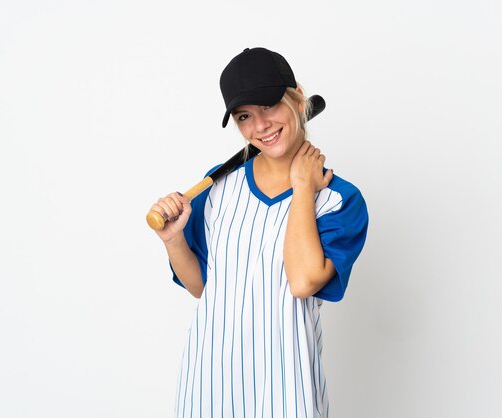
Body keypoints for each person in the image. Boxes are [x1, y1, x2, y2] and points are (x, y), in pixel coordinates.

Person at [149, 47, 369, 418]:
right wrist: (173, 241)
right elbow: (204, 286)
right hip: (207, 387)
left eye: (269, 106)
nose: (260, 126)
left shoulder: (339, 200)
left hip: (287, 391)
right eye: (244, 116)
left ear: (298, 98)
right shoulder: (218, 187)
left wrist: (302, 186)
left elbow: (302, 281)